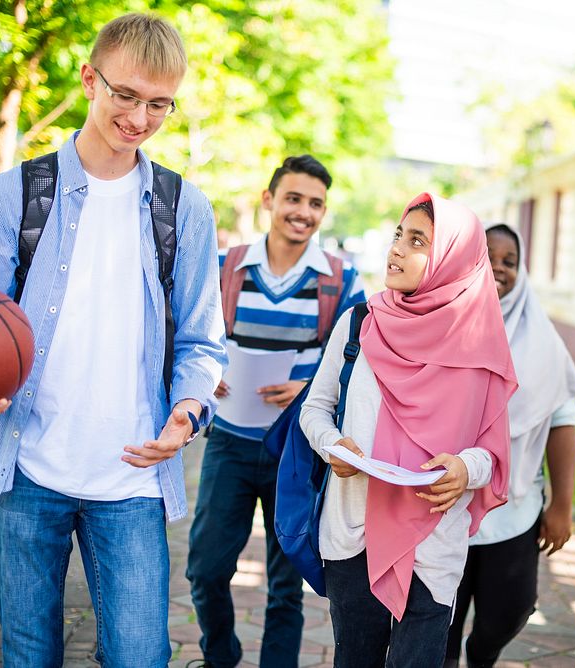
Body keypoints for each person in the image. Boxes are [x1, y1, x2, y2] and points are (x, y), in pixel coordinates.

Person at [0, 13, 227, 668]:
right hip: (32, 471)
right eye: (126, 95)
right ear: (89, 79)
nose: (139, 118)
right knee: (30, 657)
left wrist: (188, 414)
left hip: (133, 477)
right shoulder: (14, 195)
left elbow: (201, 340)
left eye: (159, 103)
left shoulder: (184, 208)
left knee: (140, 656)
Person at [299, 193, 518, 668]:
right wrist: (332, 444)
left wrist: (465, 468)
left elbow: (493, 450)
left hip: (434, 540)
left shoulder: (479, 346)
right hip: (353, 528)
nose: (396, 248)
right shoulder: (360, 323)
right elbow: (315, 408)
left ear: (450, 259)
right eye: (399, 234)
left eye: (417, 240)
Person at [185, 155, 365, 668]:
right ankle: (220, 655)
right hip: (229, 442)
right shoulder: (225, 266)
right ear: (269, 200)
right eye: (293, 198)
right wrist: (205, 370)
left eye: (315, 204)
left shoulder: (342, 279)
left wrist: (309, 387)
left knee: (287, 583)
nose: (303, 212)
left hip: (296, 452)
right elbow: (190, 335)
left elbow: (358, 364)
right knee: (205, 569)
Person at [444, 223, 575, 668]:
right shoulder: (439, 323)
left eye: (510, 261)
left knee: (510, 611)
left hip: (513, 507)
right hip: (442, 504)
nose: (499, 268)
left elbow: (562, 419)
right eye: (489, 256)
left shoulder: (541, 338)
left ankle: (481, 655)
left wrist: (561, 506)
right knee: (437, 620)